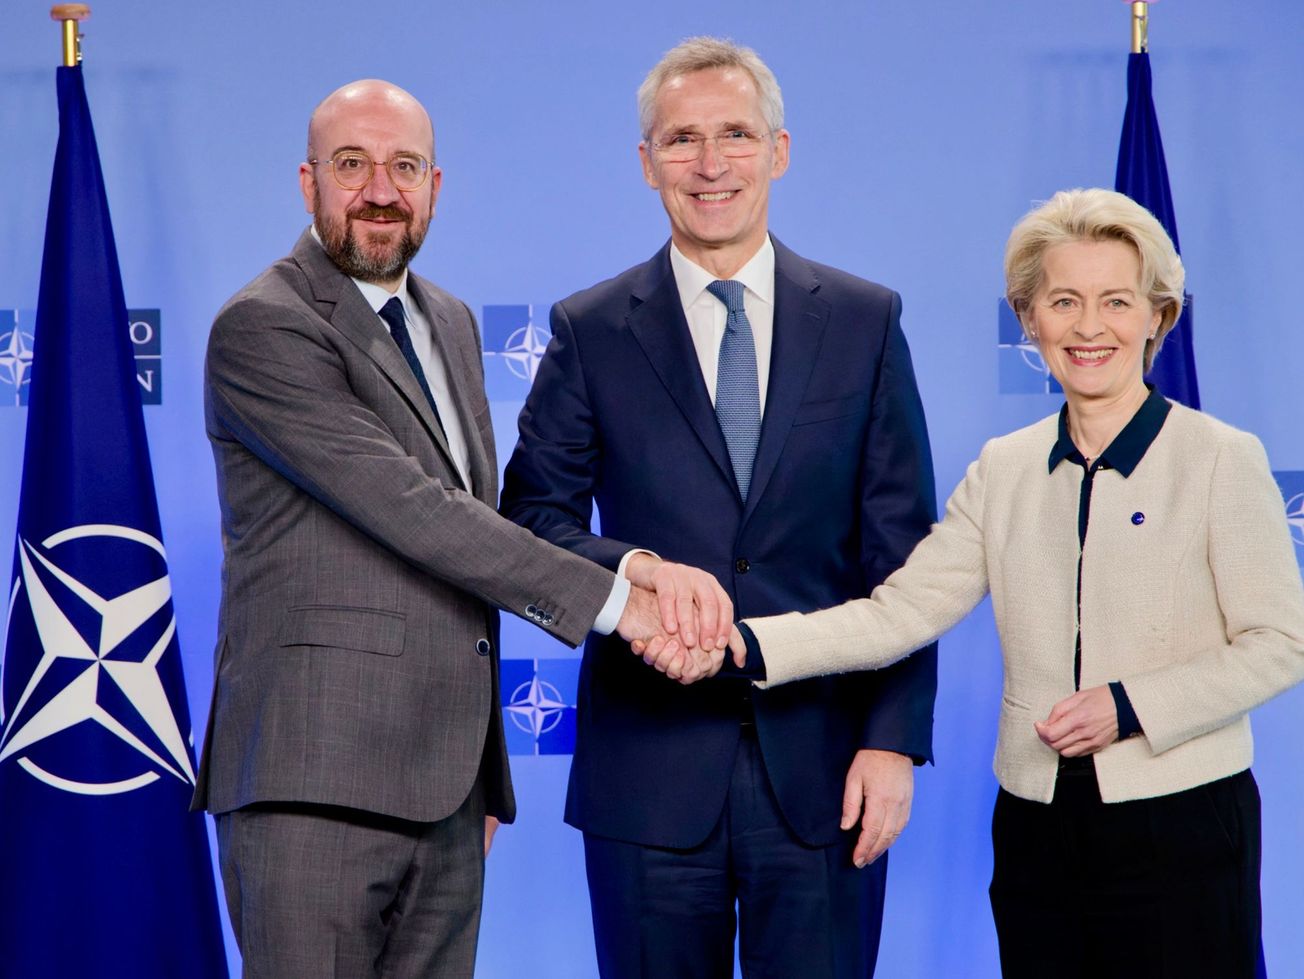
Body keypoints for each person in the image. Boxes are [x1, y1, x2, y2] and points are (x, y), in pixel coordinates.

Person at [689, 188, 1304, 977]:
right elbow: (898, 613)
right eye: (1063, 301)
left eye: (1117, 301)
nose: (1089, 327)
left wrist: (1127, 706)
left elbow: (1282, 642)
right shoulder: (1004, 467)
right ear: (1028, 320)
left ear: (1158, 317)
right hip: (1036, 824)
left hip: (1184, 821)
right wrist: (745, 641)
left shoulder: (1222, 457)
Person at [192, 79, 709, 979]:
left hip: (445, 794)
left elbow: (480, 522)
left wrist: (482, 773)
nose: (381, 189)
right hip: (313, 787)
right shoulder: (263, 325)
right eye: (352, 165)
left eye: (405, 166)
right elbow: (409, 507)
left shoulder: (452, 322)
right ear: (308, 181)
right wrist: (622, 603)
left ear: (437, 185)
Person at [499, 37, 939, 978]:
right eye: (682, 139)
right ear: (647, 161)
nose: (710, 164)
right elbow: (531, 520)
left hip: (827, 775)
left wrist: (893, 742)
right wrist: (631, 578)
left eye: (736, 134)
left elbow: (905, 559)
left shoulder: (866, 321)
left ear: (779, 150)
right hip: (646, 780)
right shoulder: (588, 328)